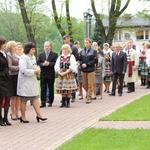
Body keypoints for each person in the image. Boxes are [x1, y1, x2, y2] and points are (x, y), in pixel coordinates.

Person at [17, 42, 47, 123]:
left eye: (34, 49)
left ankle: (39, 115)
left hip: (32, 82)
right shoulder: (23, 58)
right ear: (28, 50)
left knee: (35, 98)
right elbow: (23, 70)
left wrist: (37, 69)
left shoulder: (33, 57)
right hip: (25, 82)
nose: (34, 51)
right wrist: (33, 72)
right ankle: (23, 116)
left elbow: (34, 65)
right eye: (32, 49)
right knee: (24, 100)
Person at [37, 41, 58, 107]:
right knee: (43, 88)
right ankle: (43, 102)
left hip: (50, 73)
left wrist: (49, 64)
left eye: (48, 46)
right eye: (45, 46)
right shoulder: (41, 54)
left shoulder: (54, 54)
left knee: (51, 87)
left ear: (50, 47)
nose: (46, 47)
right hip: (43, 73)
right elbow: (38, 62)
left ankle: (50, 101)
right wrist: (42, 64)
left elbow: (56, 63)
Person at [0, 36, 13, 126]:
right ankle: (0, 118)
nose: (5, 45)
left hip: (7, 78)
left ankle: (6, 117)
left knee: (8, 98)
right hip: (1, 79)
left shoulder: (4, 53)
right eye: (3, 43)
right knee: (1, 99)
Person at [79, 38, 98, 104]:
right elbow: (80, 59)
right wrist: (82, 64)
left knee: (90, 84)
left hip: (90, 70)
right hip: (83, 70)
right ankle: (88, 93)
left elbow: (95, 60)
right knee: (85, 84)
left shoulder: (93, 51)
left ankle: (89, 97)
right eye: (85, 43)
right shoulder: (82, 51)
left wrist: (87, 64)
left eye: (87, 42)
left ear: (90, 43)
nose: (86, 44)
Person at [62, 35, 79, 102]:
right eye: (63, 39)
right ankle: (64, 97)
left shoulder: (74, 48)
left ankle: (73, 96)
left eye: (65, 39)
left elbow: (77, 57)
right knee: (64, 84)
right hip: (64, 69)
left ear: (68, 39)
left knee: (71, 83)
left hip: (71, 68)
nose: (64, 41)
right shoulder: (62, 47)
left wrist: (71, 61)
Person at [7, 41, 20, 120]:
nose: (15, 47)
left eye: (16, 46)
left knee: (18, 96)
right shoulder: (9, 55)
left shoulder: (18, 55)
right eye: (14, 46)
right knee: (13, 96)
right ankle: (13, 113)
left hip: (19, 76)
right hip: (13, 76)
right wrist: (19, 67)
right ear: (10, 48)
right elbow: (10, 66)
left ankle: (17, 112)